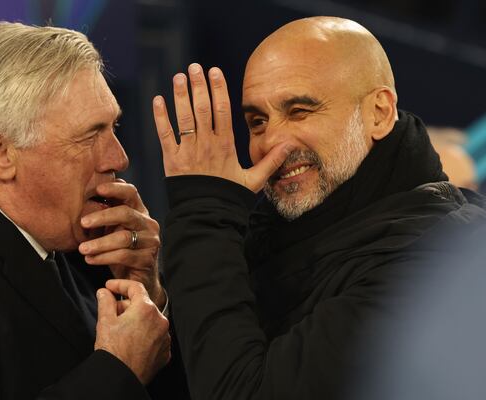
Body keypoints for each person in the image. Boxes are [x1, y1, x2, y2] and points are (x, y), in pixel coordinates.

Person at [151, 16, 486, 399]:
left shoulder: (437, 268)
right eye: (257, 121)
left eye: (299, 111)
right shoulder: (260, 237)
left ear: (379, 112)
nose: (271, 143)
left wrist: (203, 216)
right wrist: (156, 298)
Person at [0, 22, 187, 400]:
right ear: (0, 153)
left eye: (114, 127)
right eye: (90, 135)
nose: (118, 157)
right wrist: (118, 371)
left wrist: (146, 293)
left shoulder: (86, 249)